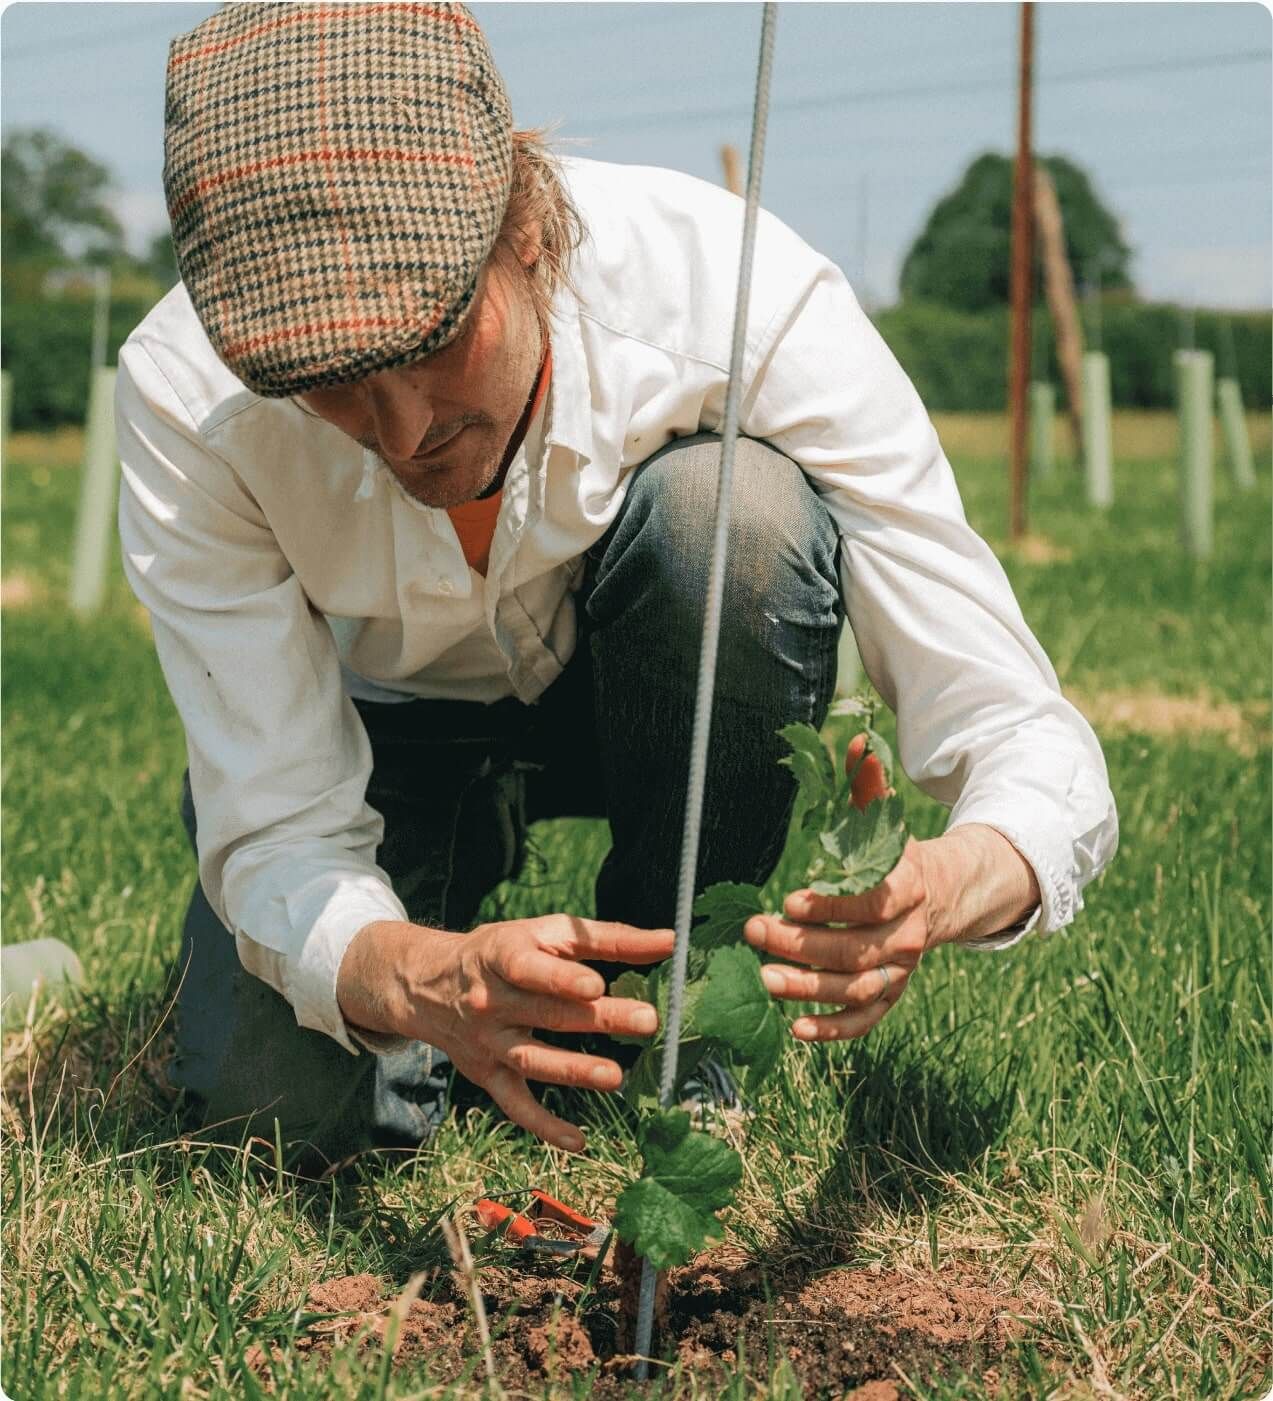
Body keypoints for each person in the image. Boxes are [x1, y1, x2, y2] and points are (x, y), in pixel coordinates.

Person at [117, 2, 1117, 1170]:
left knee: (731, 517)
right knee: (273, 1120)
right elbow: (273, 820)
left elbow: (1012, 723)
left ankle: (666, 986)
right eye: (326, 387)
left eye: (434, 338)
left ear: (529, 223)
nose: (399, 435)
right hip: (383, 722)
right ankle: (455, 872)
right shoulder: (186, 394)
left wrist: (945, 886)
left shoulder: (738, 290)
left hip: (649, 700)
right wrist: (411, 973)